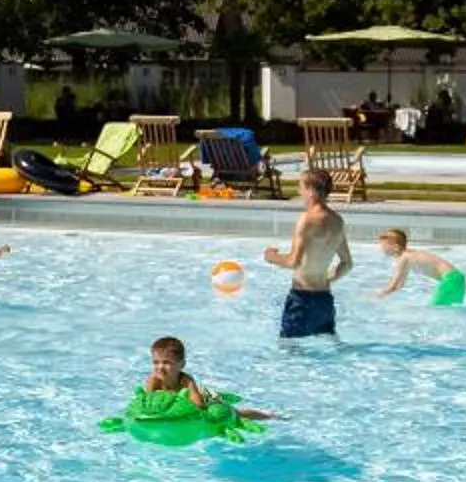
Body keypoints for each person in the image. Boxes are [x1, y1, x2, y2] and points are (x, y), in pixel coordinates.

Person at [263, 166, 352, 339]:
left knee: (289, 352)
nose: (299, 192)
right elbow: (347, 263)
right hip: (325, 300)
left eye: (301, 187)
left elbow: (293, 262)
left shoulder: (306, 220)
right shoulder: (337, 221)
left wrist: (271, 257)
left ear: (311, 191)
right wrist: (327, 279)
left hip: (301, 299)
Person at [132, 336, 275, 424]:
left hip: (206, 400)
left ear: (181, 365)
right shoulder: (154, 380)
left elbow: (199, 405)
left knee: (237, 413)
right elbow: (148, 404)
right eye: (156, 362)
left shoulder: (186, 380)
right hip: (175, 407)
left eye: (166, 362)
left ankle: (268, 415)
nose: (160, 367)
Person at [371, 228, 466, 305]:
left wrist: (376, 296)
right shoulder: (409, 256)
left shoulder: (404, 258)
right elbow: (400, 285)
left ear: (396, 247)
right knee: (449, 310)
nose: (381, 248)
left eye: (384, 246)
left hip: (450, 280)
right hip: (457, 278)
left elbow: (392, 286)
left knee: (435, 311)